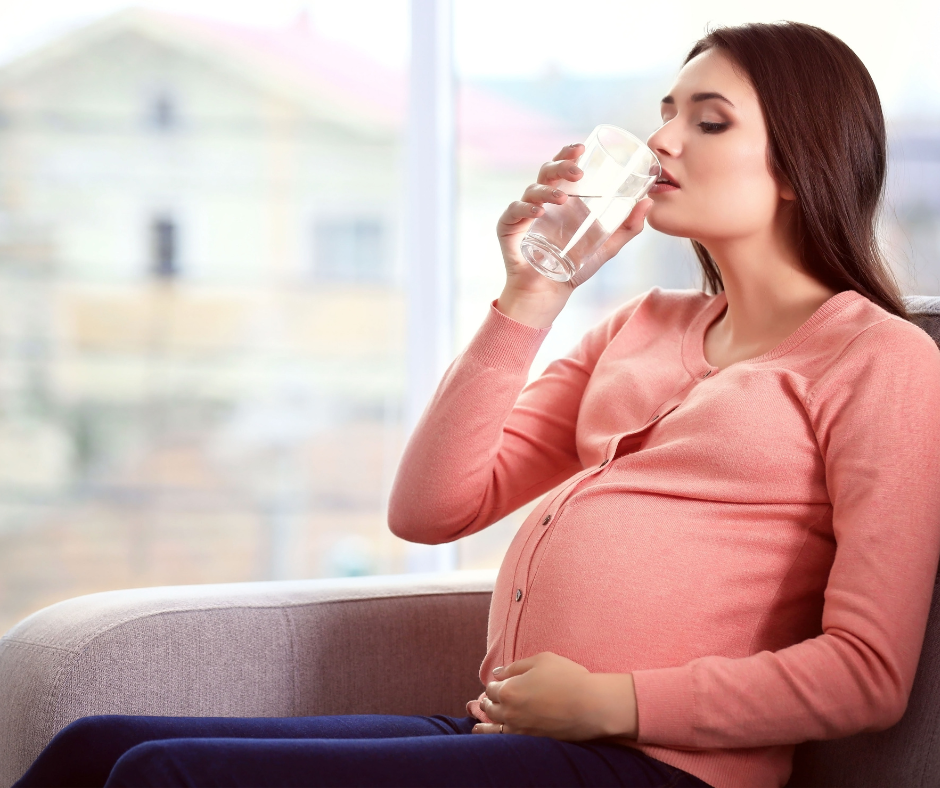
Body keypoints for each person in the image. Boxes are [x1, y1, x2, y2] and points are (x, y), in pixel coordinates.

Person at [14, 20, 940, 788]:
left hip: (661, 769)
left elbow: (868, 673)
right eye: (665, 113)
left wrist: (613, 702)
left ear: (796, 162)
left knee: (165, 776)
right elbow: (431, 508)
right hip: (514, 743)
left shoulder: (880, 361)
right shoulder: (640, 325)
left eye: (709, 121)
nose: (661, 141)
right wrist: (534, 289)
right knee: (95, 750)